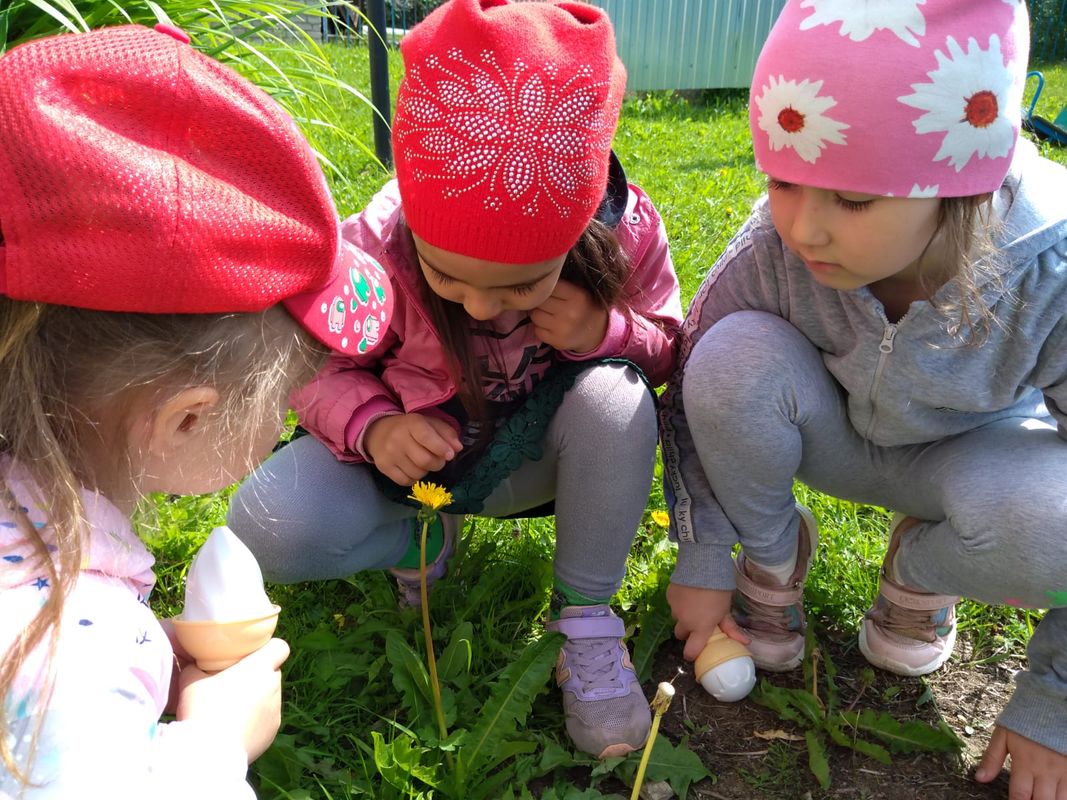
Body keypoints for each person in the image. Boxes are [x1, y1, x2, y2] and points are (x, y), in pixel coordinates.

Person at [227, 0, 682, 760]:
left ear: (575, 239)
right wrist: (373, 423)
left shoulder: (626, 228)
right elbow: (308, 362)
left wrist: (606, 334)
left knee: (616, 396)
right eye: (446, 276)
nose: (479, 306)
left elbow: (669, 347)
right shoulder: (372, 245)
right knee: (264, 527)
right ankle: (419, 543)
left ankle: (584, 618)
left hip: (544, 458)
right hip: (417, 469)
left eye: (519, 286)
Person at [660, 1, 1067, 795]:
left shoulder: (1047, 268)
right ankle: (772, 564)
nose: (803, 230)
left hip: (975, 459)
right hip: (834, 434)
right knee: (728, 357)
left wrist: (1053, 701)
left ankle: (920, 566)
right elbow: (688, 383)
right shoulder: (773, 247)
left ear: (962, 187)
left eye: (851, 201)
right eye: (780, 180)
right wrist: (706, 551)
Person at [0, 23, 393, 798]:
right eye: (280, 402)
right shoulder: (69, 663)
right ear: (186, 416)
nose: (285, 422)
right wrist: (213, 746)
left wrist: (137, 663)